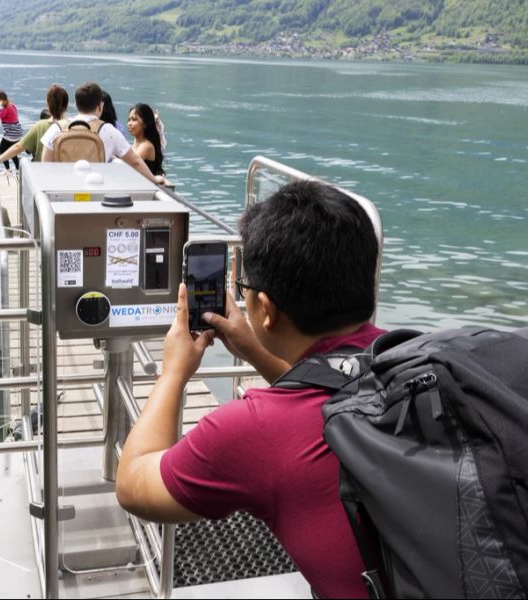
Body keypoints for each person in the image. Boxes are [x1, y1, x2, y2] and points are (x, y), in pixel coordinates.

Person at [116, 180, 384, 599]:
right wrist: (255, 350)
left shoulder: (254, 430)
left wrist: (173, 373)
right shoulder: (419, 354)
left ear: (265, 309)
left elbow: (133, 484)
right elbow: (333, 386)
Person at [40, 82, 163, 185]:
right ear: (100, 105)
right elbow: (135, 162)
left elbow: (45, 166)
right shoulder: (109, 131)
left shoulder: (56, 128)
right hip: (96, 192)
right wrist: (153, 179)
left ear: (76, 104)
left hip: (63, 190)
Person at [0, 84, 69, 167]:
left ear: (48, 104)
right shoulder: (72, 125)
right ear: (66, 105)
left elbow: (18, 147)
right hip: (66, 174)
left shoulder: (39, 126)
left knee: (20, 159)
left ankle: (11, 167)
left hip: (41, 175)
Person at [127, 103, 165, 177]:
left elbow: (131, 164)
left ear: (145, 124)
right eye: (129, 120)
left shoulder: (146, 146)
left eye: (134, 119)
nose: (129, 123)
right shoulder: (136, 143)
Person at [0, 90, 23, 172]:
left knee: (2, 150)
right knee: (12, 150)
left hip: (11, 134)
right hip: (17, 132)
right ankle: (17, 169)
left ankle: (7, 170)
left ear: (2, 100)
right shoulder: (12, 106)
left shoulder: (5, 109)